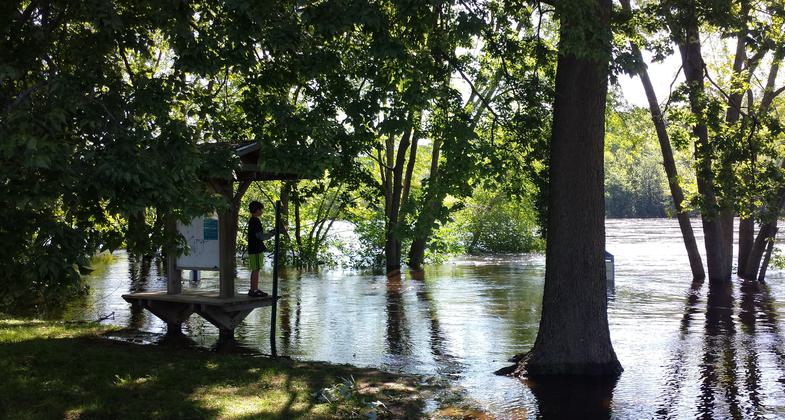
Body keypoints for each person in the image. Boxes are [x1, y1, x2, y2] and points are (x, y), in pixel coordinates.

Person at [247, 200, 277, 297]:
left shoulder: (252, 220)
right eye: (261, 209)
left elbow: (259, 235)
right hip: (256, 249)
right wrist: (272, 233)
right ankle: (254, 290)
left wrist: (271, 233)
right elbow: (260, 237)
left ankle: (253, 289)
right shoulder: (255, 221)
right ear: (257, 210)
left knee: (256, 269)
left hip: (254, 248)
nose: (262, 211)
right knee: (256, 269)